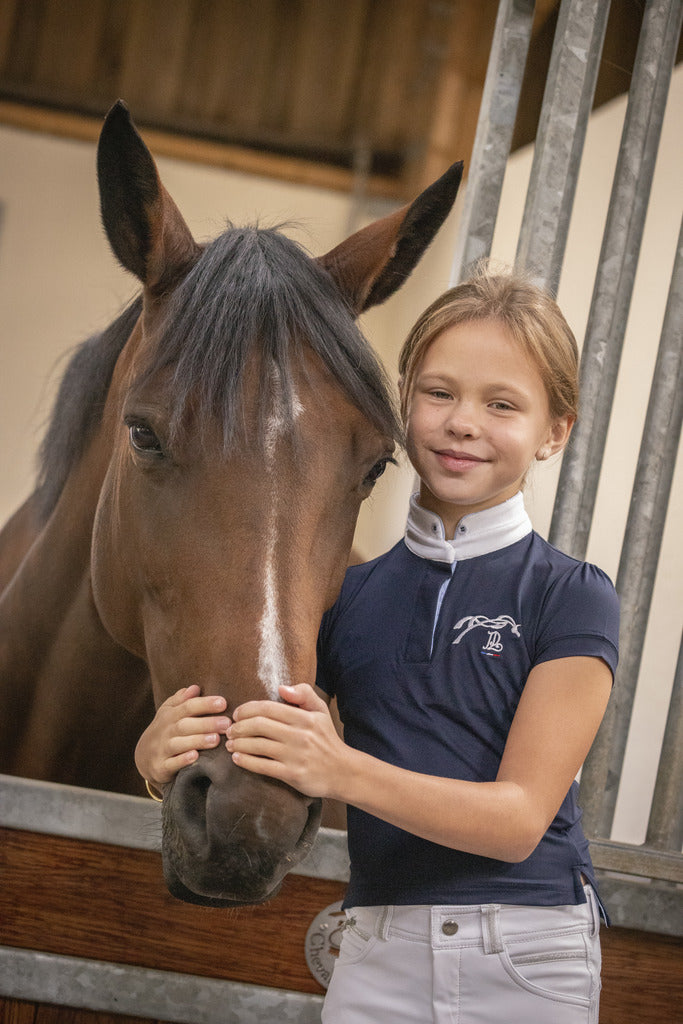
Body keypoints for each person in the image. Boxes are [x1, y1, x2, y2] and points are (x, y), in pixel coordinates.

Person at [135, 269, 618, 1024]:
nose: (462, 422)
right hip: (373, 946)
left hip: (525, 951)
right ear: (402, 402)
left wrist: (342, 770)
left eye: (501, 404)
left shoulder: (571, 596)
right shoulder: (349, 596)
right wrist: (160, 753)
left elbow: (519, 818)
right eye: (438, 393)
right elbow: (258, 734)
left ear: (554, 431)